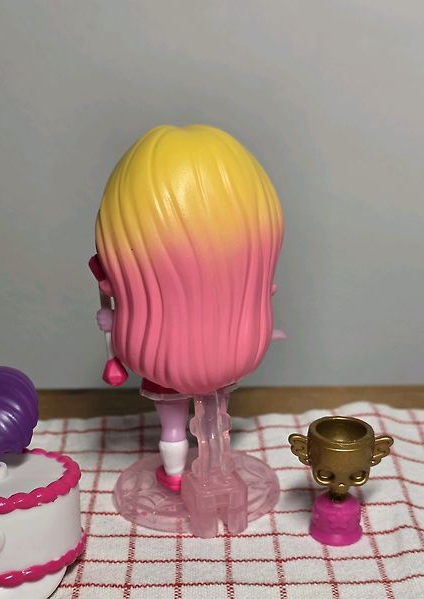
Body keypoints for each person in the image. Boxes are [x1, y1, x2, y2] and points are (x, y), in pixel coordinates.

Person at [92, 124, 283, 491]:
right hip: (221, 358)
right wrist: (112, 319)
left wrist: (112, 321)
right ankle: (196, 469)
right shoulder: (231, 329)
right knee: (205, 422)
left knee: (178, 426)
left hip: (164, 365)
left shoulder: (152, 336)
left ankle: (179, 473)